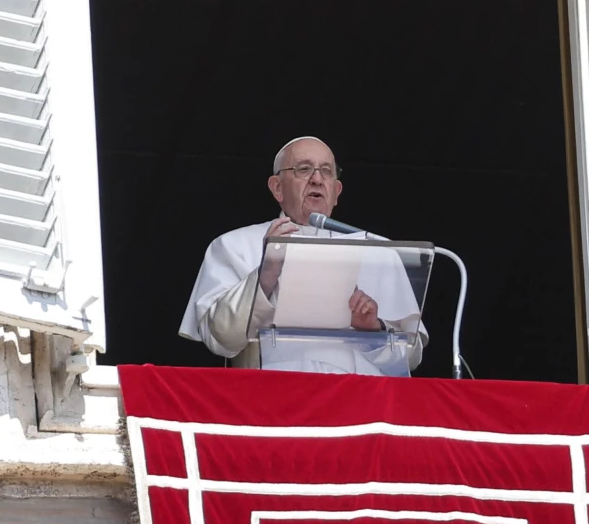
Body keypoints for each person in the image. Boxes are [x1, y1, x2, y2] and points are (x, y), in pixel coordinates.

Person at [179, 136, 427, 374]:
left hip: (359, 397)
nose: (317, 179)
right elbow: (220, 338)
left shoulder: (380, 253)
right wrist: (264, 277)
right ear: (277, 188)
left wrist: (374, 329)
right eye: (304, 169)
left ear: (337, 191)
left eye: (326, 171)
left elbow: (412, 358)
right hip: (275, 396)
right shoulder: (234, 245)